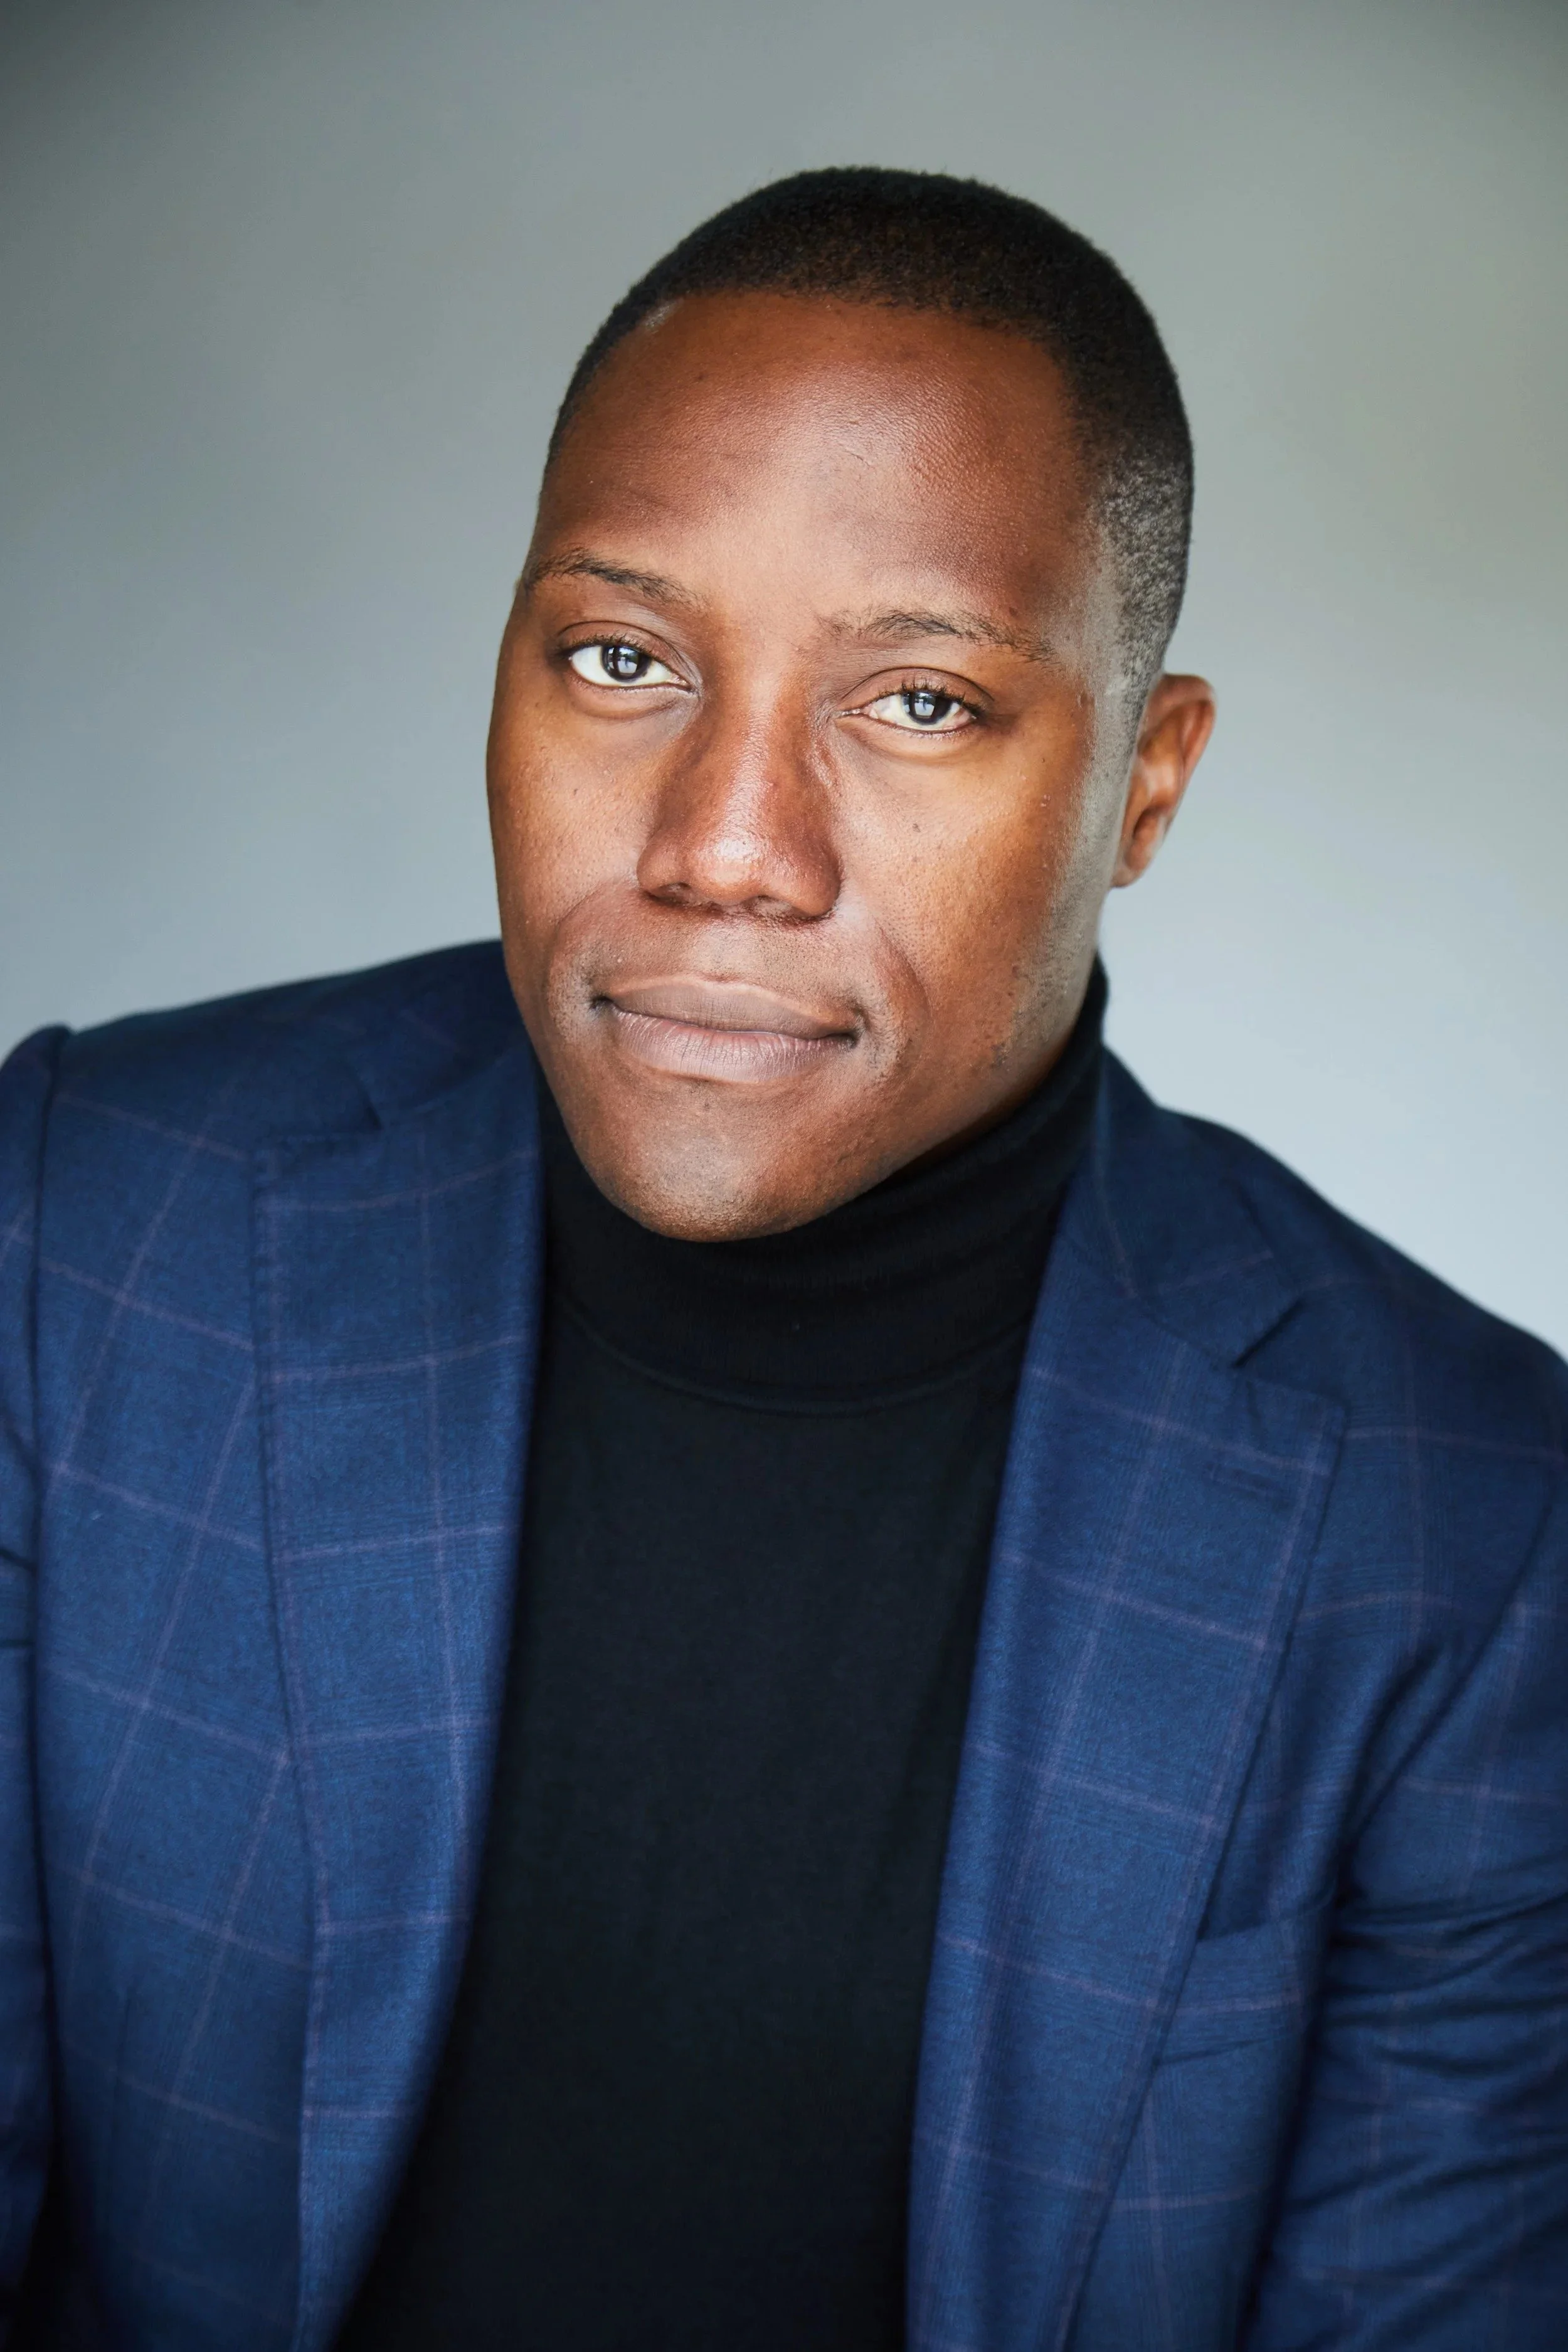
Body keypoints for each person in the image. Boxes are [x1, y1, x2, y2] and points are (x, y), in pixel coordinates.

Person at [1, 166, 1563, 2352]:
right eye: (620, 657)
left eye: (917, 701)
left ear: (1142, 782)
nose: (723, 846)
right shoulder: (87, 1228)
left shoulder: (1469, 1523)